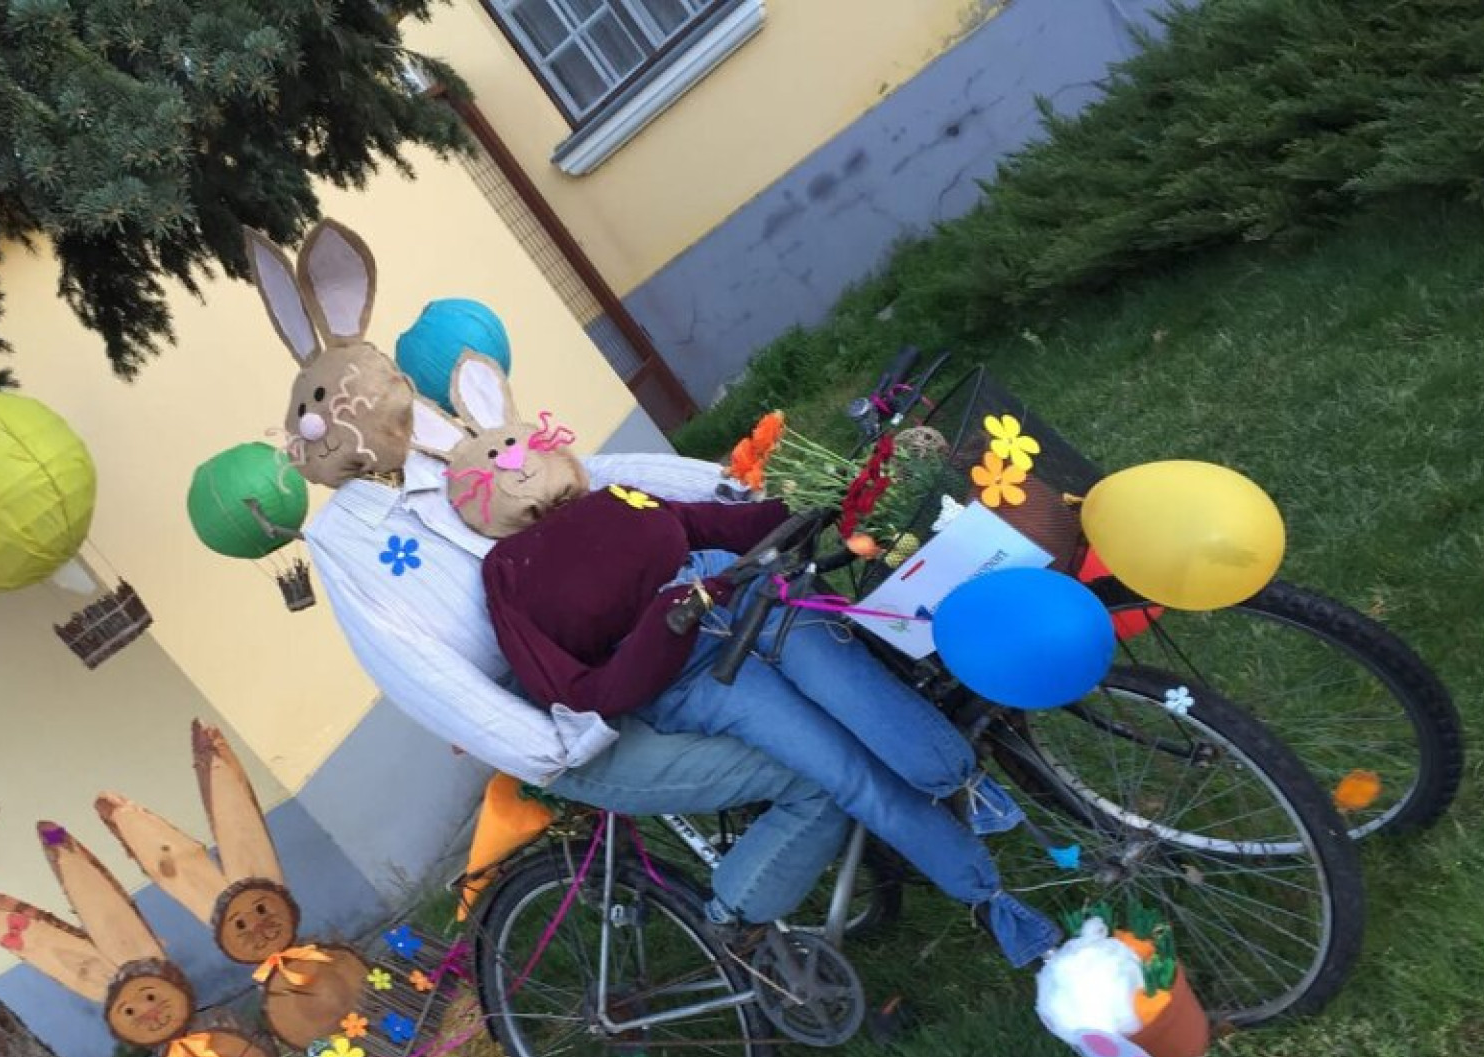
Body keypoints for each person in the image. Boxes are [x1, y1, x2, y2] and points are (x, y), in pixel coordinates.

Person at [242, 222, 854, 942]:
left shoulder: (443, 455)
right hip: (564, 714)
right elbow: (414, 667)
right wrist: (550, 746)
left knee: (802, 697)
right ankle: (733, 932)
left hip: (626, 647)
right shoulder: (349, 539)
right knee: (805, 777)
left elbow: (591, 483)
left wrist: (731, 491)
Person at [426, 353, 1059, 969]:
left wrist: (826, 498)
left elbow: (707, 526)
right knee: (842, 769)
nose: (513, 465)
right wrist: (660, 631)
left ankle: (965, 786)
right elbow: (575, 690)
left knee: (862, 695)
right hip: (693, 673)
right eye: (494, 464)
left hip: (754, 594)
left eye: (517, 448)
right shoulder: (505, 574)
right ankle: (990, 898)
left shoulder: (615, 498)